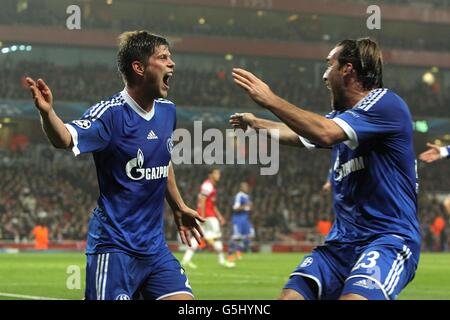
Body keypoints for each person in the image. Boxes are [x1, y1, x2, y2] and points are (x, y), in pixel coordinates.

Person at [230, 38, 420, 300]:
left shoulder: (386, 104)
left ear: (347, 69)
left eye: (329, 65)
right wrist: (256, 124)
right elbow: (300, 135)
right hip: (340, 245)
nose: (324, 76)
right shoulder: (343, 120)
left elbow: (324, 133)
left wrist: (270, 100)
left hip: (387, 239)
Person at [26, 31, 204, 300]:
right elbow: (64, 139)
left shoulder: (168, 111)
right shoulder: (110, 114)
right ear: (139, 68)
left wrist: (178, 206)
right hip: (114, 248)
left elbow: (162, 160)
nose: (172, 63)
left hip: (155, 250)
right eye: (164, 57)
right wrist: (47, 113)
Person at [181, 168, 235, 268]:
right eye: (216, 173)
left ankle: (186, 260)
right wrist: (202, 215)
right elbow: (203, 200)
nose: (219, 175)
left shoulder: (211, 186)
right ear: (210, 175)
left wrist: (219, 216)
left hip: (207, 215)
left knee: (196, 238)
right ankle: (221, 260)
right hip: (208, 216)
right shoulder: (208, 185)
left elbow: (212, 204)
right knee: (216, 238)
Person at [228, 182, 255, 260]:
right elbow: (235, 208)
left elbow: (249, 208)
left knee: (250, 235)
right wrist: (245, 206)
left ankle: (238, 251)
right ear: (241, 188)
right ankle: (230, 254)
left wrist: (250, 207)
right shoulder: (239, 196)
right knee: (236, 237)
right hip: (238, 219)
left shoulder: (247, 197)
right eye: (245, 187)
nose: (246, 188)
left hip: (246, 219)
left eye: (247, 186)